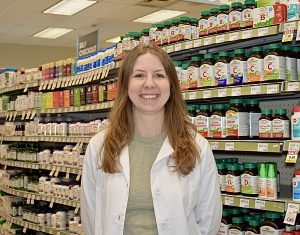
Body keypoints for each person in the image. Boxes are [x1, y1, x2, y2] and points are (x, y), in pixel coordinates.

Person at [81, 44, 222, 235]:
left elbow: (208, 220)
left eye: (159, 75)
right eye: (139, 75)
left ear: (171, 85)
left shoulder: (198, 147)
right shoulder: (100, 146)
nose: (149, 84)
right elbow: (92, 218)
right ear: (125, 85)